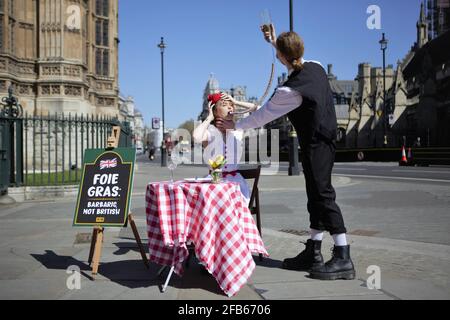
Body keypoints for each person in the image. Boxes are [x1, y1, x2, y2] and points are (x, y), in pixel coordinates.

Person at [216, 24, 355, 281]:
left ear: (281, 56)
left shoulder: (288, 91)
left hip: (316, 143)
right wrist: (274, 41)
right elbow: (291, 59)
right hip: (324, 140)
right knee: (314, 194)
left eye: (278, 52)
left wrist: (235, 125)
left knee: (323, 195)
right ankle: (313, 251)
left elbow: (262, 116)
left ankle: (343, 256)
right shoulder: (317, 65)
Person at [193, 92, 251, 204]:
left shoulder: (238, 130)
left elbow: (258, 111)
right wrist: (209, 118)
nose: (230, 107)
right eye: (224, 104)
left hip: (235, 185)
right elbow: (196, 137)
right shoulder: (209, 131)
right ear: (215, 111)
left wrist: (237, 102)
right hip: (214, 183)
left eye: (232, 105)